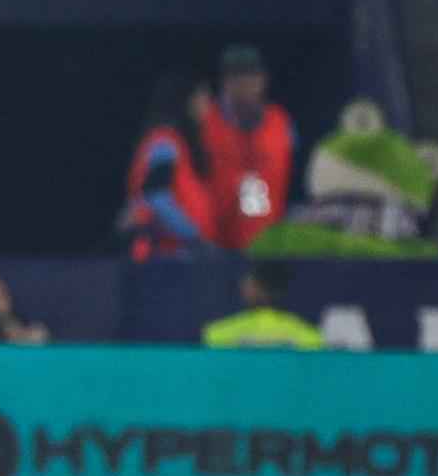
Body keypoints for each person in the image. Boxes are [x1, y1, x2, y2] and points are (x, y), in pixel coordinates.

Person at [200, 43, 295, 250]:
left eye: (250, 75)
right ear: (223, 82)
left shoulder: (281, 121)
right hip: (216, 245)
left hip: (269, 244)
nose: (243, 83)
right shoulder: (206, 121)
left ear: (263, 79)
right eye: (235, 76)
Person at [124, 72, 215, 259]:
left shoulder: (180, 144)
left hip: (180, 259)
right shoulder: (165, 141)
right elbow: (155, 195)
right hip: (168, 261)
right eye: (203, 96)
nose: (208, 104)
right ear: (186, 100)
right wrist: (194, 238)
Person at [202, 260, 324, 349]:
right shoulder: (310, 336)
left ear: (259, 288)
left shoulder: (219, 334)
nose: (242, 287)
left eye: (249, 283)